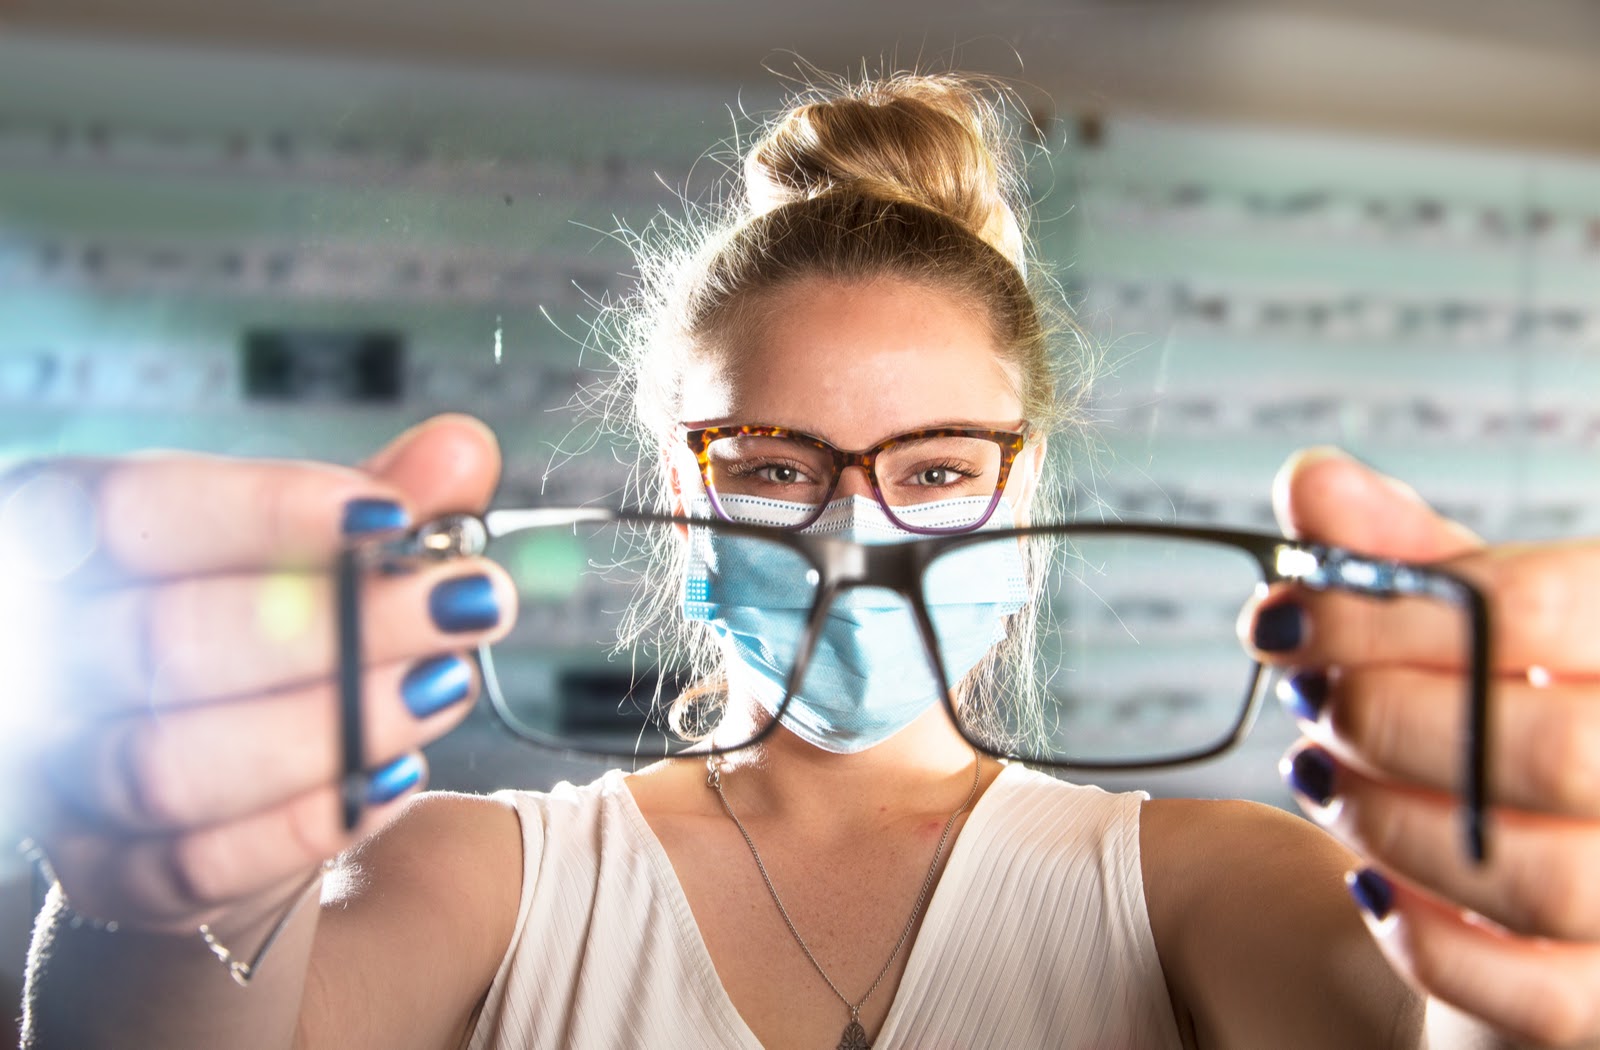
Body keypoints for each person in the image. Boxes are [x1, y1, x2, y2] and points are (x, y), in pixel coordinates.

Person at [12, 72, 1600, 1050]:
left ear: (1026, 497)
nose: (852, 532)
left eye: (933, 470)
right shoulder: (478, 878)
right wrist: (153, 901)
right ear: (681, 497)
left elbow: (1434, 1026)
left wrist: (1526, 973)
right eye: (772, 466)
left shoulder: (1209, 885)